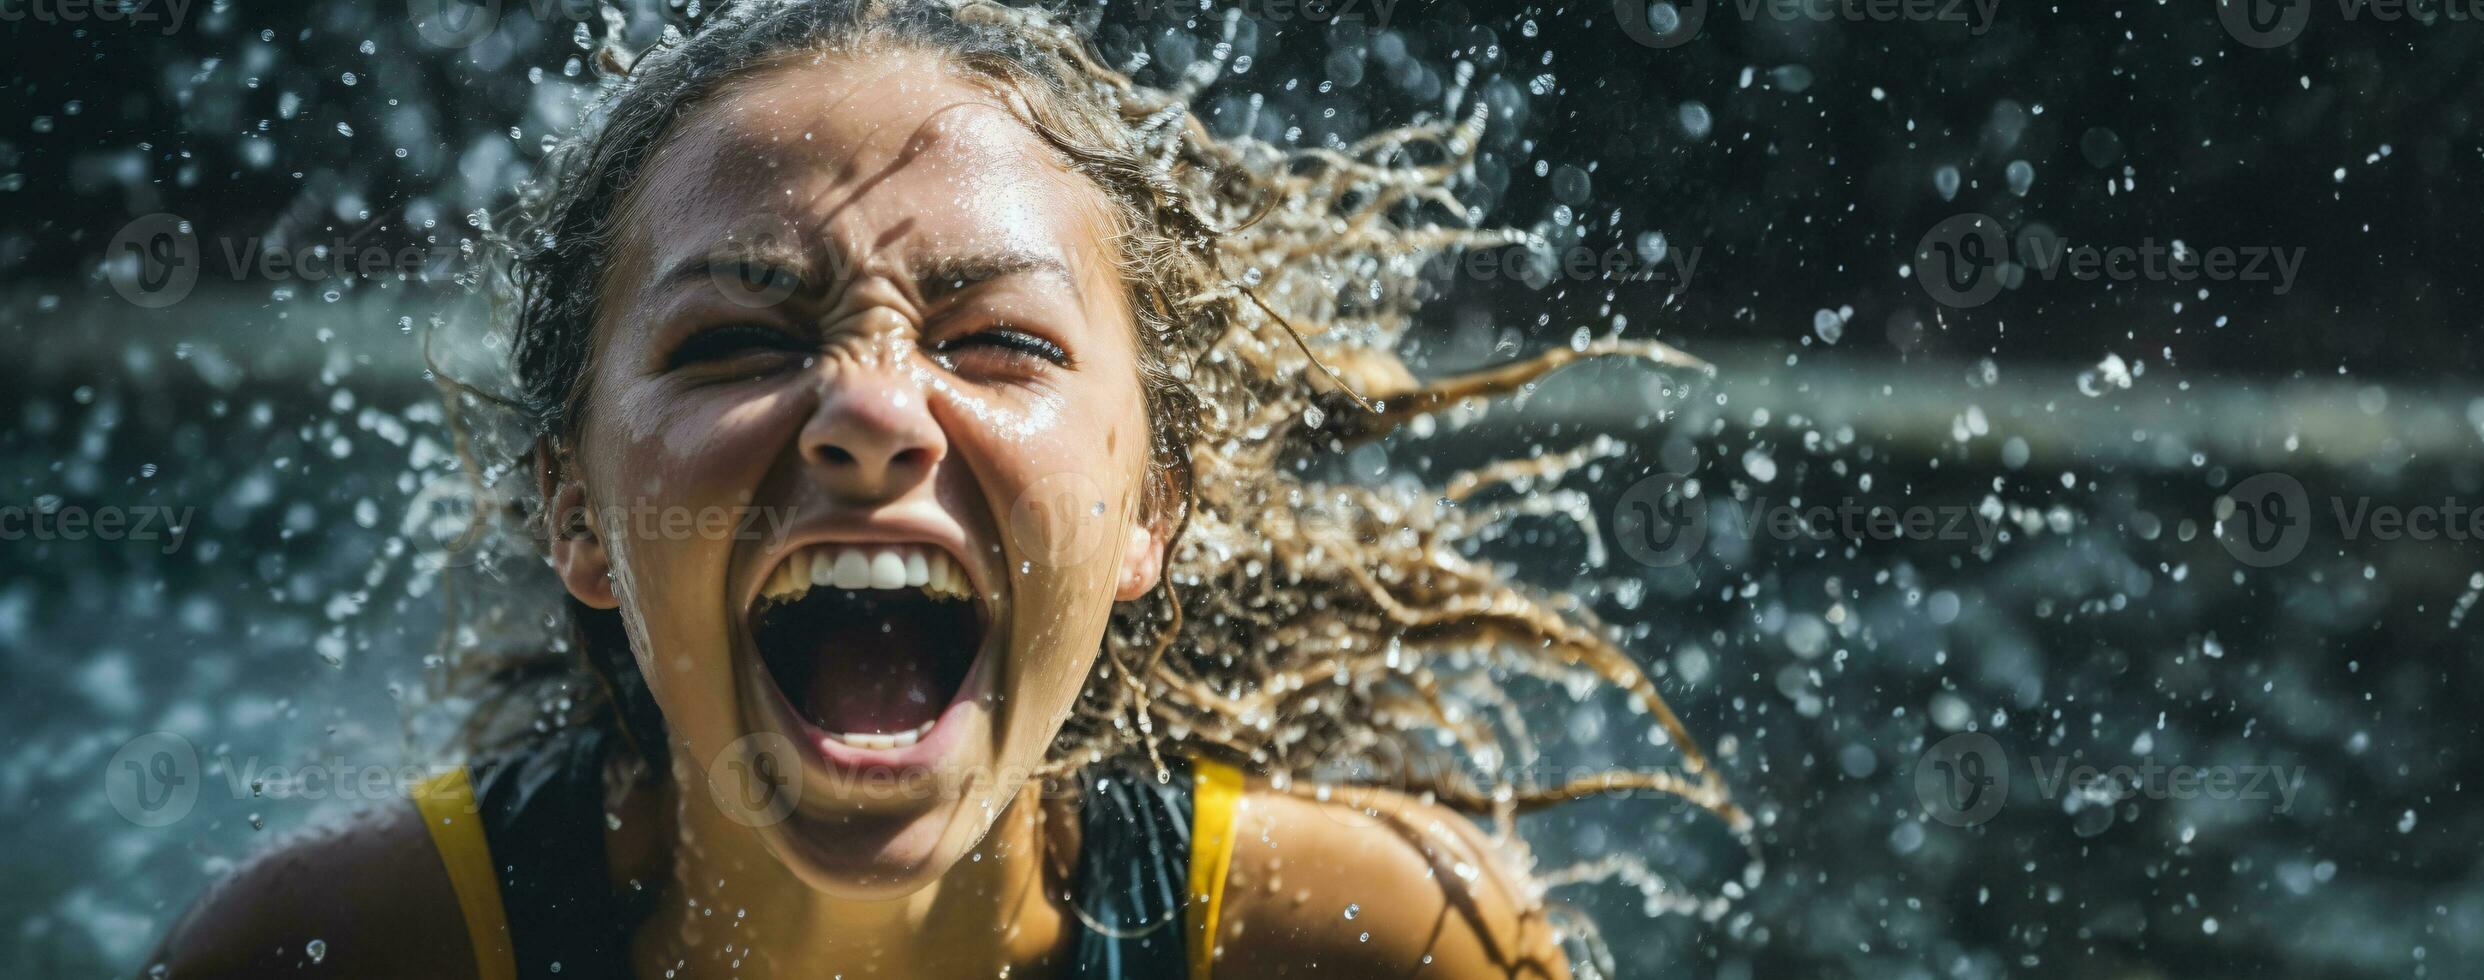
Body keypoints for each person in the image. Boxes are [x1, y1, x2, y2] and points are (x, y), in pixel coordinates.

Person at [147, 1, 1744, 976]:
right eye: (731, 342)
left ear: (1146, 513)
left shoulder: (1373, 950)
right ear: (571, 509)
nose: (868, 407)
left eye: (993, 342)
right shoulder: (331, 958)